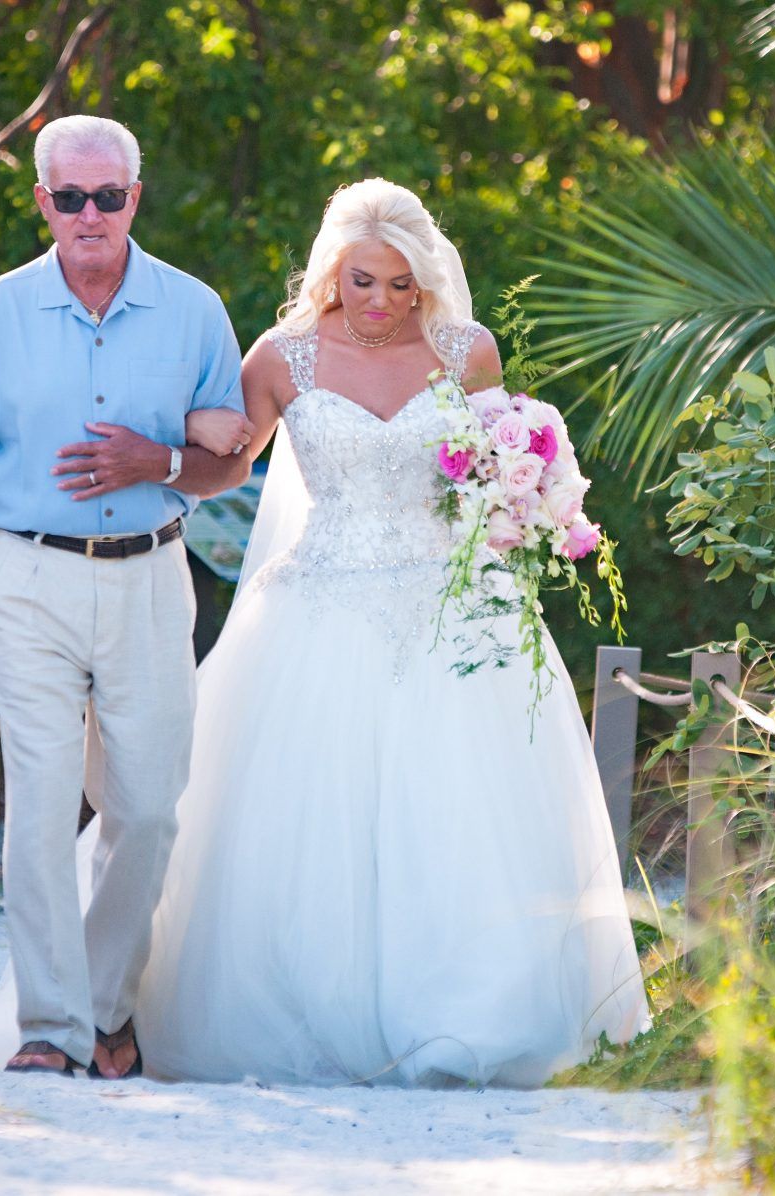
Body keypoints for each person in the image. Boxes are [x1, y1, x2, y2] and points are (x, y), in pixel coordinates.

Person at [130, 178, 651, 1086]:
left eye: (401, 286)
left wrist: (532, 498)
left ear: (426, 283)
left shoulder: (467, 351)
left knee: (459, 813)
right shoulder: (281, 358)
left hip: (451, 605)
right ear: (334, 274)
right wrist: (167, 451)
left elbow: (493, 468)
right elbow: (228, 468)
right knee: (299, 815)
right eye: (365, 281)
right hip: (319, 602)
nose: (382, 303)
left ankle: (467, 1013)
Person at [0, 114, 253, 1081]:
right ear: (43, 202)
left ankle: (106, 1006)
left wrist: (160, 461)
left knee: (147, 810)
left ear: (135, 199)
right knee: (42, 807)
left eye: (108, 196)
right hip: (30, 579)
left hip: (150, 577)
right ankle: (53, 1030)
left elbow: (230, 461)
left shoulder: (194, 311)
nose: (89, 213)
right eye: (70, 197)